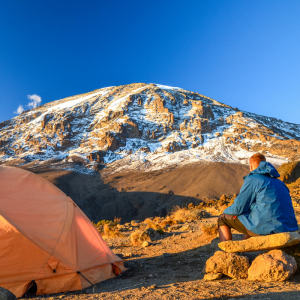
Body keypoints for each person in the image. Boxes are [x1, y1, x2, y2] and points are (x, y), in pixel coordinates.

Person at [218, 153, 298, 242]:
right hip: (288, 227)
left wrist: (225, 213)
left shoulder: (253, 179)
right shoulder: (280, 182)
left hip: (267, 227)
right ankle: (245, 245)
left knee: (222, 219)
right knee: (251, 217)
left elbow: (238, 208)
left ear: (251, 167)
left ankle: (227, 252)